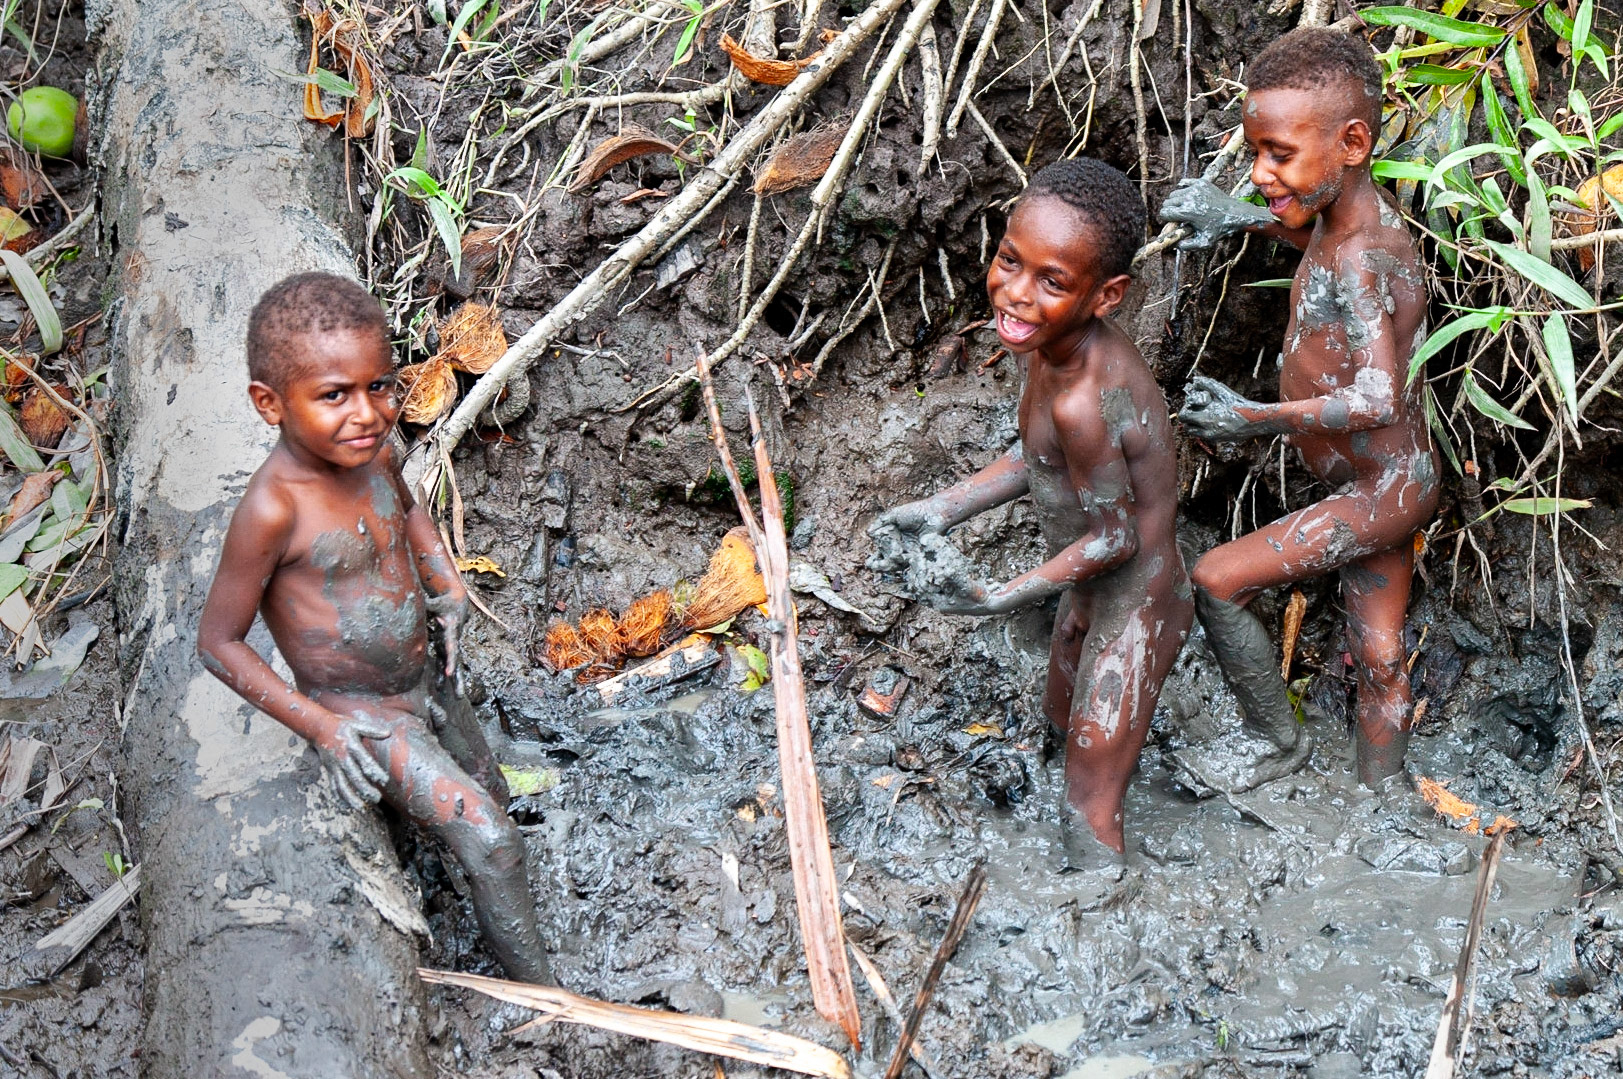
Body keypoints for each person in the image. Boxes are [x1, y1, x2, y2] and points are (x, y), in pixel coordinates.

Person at [196, 272, 551, 982]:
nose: (366, 412)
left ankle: (457, 876)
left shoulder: (375, 452)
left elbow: (412, 511)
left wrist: (445, 583)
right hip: (366, 714)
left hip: (429, 677)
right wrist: (321, 727)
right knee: (492, 839)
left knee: (496, 794)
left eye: (380, 386)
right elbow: (217, 643)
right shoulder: (274, 510)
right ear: (270, 403)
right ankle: (551, 1003)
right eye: (334, 395)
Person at [869, 159, 1193, 867]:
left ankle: (1103, 921)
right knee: (1056, 725)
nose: (1014, 294)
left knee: (1088, 800)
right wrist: (937, 509)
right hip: (1085, 594)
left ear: (1107, 295)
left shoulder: (1086, 400)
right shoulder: (1048, 346)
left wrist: (996, 597)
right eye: (1009, 261)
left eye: (1050, 281)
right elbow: (1036, 460)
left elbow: (1116, 537)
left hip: (1136, 604)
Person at [1159, 27, 1438, 791]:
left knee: (1217, 579)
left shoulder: (1360, 255)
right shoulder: (1344, 222)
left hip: (1378, 491)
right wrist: (1231, 214)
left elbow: (1377, 396)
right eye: (1255, 153)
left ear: (1351, 142)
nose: (1259, 172)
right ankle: (1381, 798)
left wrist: (1248, 417)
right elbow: (1301, 236)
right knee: (1377, 652)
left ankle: (1276, 741)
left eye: (1277, 154)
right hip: (1384, 481)